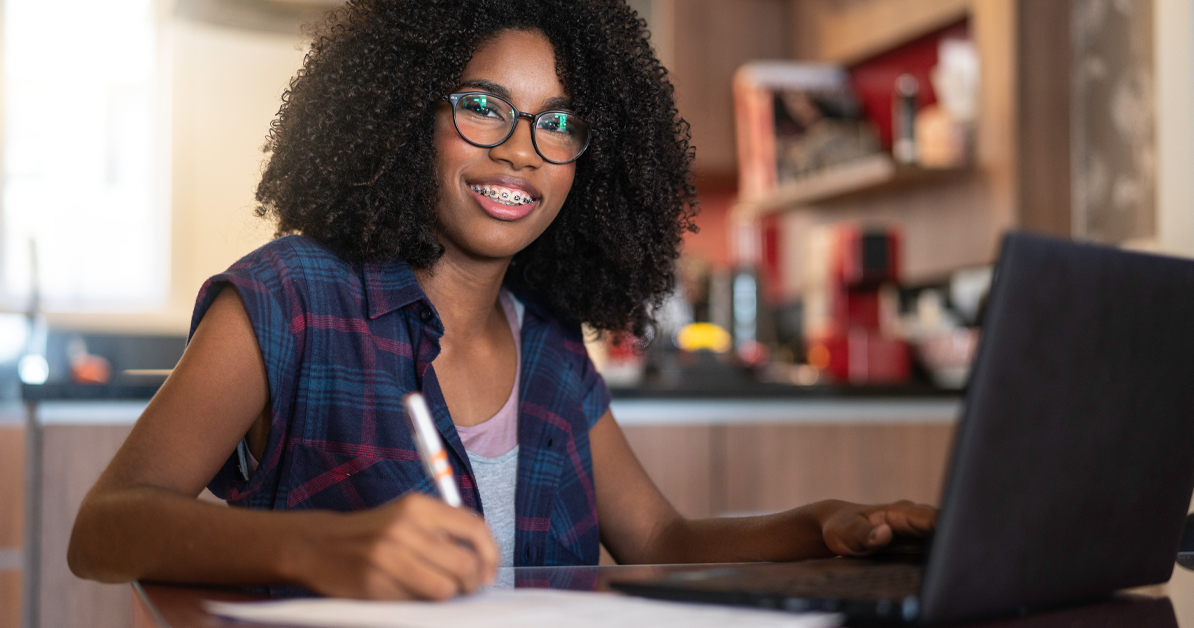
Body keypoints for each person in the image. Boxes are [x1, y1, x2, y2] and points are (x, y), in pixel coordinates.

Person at [68, 0, 936, 601]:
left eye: (557, 122)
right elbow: (105, 527)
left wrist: (820, 523)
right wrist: (321, 549)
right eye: (484, 108)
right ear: (408, 115)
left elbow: (663, 544)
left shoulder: (552, 346)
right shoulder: (289, 299)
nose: (522, 151)